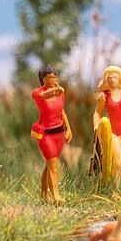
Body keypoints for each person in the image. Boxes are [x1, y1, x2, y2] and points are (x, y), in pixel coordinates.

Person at [31, 65, 73, 204]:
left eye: (55, 77)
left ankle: (43, 192)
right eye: (50, 78)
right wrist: (56, 90)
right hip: (46, 134)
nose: (53, 80)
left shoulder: (60, 92)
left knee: (50, 164)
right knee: (53, 165)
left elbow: (62, 111)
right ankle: (56, 196)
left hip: (59, 133)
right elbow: (44, 95)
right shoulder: (37, 93)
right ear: (43, 79)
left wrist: (68, 128)